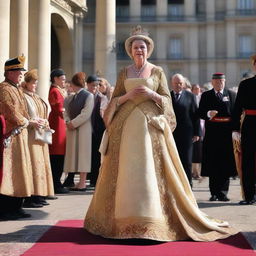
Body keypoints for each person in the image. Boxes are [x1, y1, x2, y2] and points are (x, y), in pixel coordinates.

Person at [84, 25, 237, 241]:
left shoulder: (157, 72)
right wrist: (127, 97)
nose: (140, 50)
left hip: (150, 126)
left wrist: (150, 94)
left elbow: (166, 99)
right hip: (125, 125)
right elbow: (115, 99)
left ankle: (152, 218)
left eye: (143, 47)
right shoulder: (123, 72)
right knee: (126, 168)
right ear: (131, 50)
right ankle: (121, 219)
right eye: (136, 47)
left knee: (149, 168)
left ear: (148, 50)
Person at [0, 55, 33, 220]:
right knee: (11, 171)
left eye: (21, 71)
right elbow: (9, 110)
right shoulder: (4, 88)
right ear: (9, 72)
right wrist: (25, 121)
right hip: (12, 135)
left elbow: (23, 110)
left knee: (21, 171)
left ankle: (17, 206)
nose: (21, 74)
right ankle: (7, 208)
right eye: (19, 71)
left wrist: (29, 120)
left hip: (21, 133)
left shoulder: (17, 88)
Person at [198, 73, 237, 201]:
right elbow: (200, 112)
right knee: (213, 163)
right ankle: (214, 192)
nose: (219, 83)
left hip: (227, 134)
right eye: (217, 81)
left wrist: (236, 131)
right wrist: (208, 113)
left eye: (221, 81)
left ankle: (223, 193)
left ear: (224, 82)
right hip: (212, 134)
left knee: (226, 164)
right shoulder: (206, 95)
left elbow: (236, 114)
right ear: (212, 82)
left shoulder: (231, 95)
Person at [22, 69, 54, 207]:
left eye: (36, 83)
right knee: (34, 164)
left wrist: (45, 121)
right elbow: (24, 114)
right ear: (26, 83)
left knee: (42, 165)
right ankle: (31, 197)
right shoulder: (23, 96)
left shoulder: (35, 96)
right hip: (31, 135)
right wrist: (34, 121)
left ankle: (40, 194)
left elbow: (43, 111)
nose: (35, 85)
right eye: (33, 83)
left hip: (40, 134)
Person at [63, 72, 94, 191]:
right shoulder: (71, 97)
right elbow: (65, 111)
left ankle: (82, 182)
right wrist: (67, 122)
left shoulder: (88, 96)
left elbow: (86, 113)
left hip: (83, 129)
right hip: (72, 128)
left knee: (83, 155)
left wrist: (72, 123)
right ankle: (75, 181)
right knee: (73, 155)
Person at [232, 55, 256, 205]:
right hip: (250, 125)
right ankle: (249, 196)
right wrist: (235, 129)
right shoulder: (245, 84)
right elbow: (237, 108)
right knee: (248, 160)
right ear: (254, 66)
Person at [170, 74, 200, 187]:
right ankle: (175, 186)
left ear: (183, 84)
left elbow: (195, 115)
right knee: (173, 161)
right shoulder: (167, 96)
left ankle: (188, 184)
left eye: (180, 83)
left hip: (187, 135)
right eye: (176, 83)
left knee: (187, 161)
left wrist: (197, 133)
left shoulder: (190, 96)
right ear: (171, 84)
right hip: (171, 134)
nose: (178, 85)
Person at [48, 69, 69, 194]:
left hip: (61, 124)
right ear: (55, 79)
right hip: (57, 124)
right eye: (62, 79)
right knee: (57, 154)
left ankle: (57, 182)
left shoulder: (59, 90)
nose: (64, 81)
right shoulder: (55, 91)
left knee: (60, 155)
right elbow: (59, 108)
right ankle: (56, 183)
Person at [87, 75, 107, 188]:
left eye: (97, 85)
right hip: (87, 130)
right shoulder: (85, 96)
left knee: (96, 155)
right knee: (88, 155)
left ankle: (94, 180)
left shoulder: (102, 98)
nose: (95, 87)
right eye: (93, 85)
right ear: (88, 85)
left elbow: (103, 114)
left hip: (98, 130)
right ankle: (90, 177)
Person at [191, 84, 204, 180]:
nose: (197, 90)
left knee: (200, 152)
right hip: (194, 127)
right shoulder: (191, 98)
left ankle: (198, 171)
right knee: (195, 152)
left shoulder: (201, 98)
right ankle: (194, 172)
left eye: (198, 89)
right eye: (195, 89)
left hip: (203, 126)